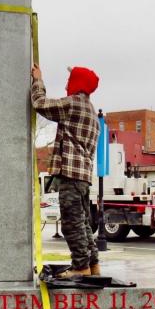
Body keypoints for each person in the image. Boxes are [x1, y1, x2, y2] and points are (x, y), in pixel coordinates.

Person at [31, 63, 100, 277]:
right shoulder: (91, 111)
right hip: (84, 177)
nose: (66, 84)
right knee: (83, 224)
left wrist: (38, 81)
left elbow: (40, 104)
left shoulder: (74, 105)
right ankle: (93, 264)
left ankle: (80, 268)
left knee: (71, 224)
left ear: (77, 83)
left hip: (71, 174)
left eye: (70, 80)